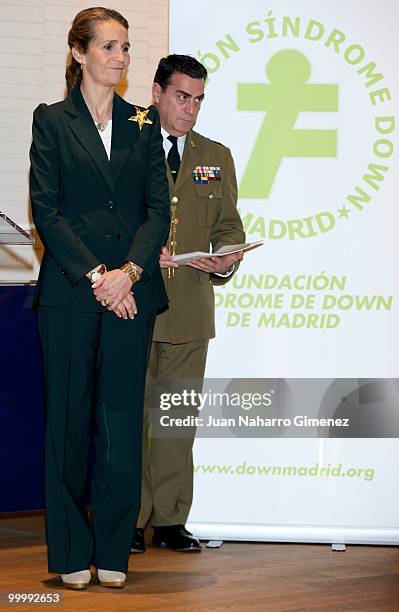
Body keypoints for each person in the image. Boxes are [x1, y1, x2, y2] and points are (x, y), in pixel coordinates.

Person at [29, 8, 170, 589]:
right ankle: (68, 555)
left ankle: (113, 553)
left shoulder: (144, 123)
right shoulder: (53, 120)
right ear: (79, 52)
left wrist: (128, 273)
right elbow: (48, 209)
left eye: (127, 48)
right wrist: (98, 277)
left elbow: (158, 210)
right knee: (66, 427)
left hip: (130, 294)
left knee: (118, 427)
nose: (121, 57)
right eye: (109, 47)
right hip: (71, 293)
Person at [131, 54, 245, 554]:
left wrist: (226, 257)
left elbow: (228, 227)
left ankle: (172, 521)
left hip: (190, 311)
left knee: (175, 420)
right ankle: (128, 520)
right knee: (127, 420)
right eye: (182, 96)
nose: (191, 108)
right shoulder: (124, 144)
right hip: (130, 304)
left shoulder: (215, 156)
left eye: (198, 99)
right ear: (156, 93)